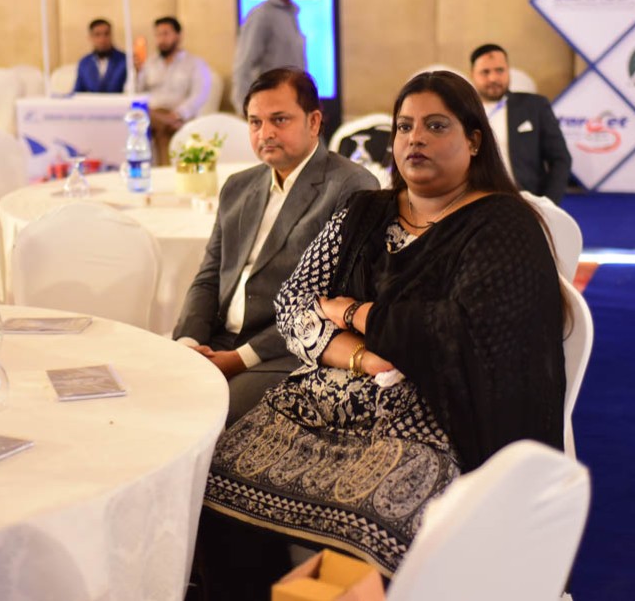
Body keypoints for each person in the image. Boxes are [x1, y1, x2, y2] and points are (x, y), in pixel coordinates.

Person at [195, 70, 567, 599]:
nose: (415, 139)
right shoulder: (365, 211)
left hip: (433, 420)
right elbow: (294, 303)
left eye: (435, 126)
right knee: (212, 483)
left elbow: (458, 334)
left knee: (374, 522)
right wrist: (363, 357)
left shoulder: (502, 224)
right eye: (404, 126)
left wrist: (355, 312)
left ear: (473, 140)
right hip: (319, 402)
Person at [172, 67, 377, 427]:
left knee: (209, 413)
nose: (265, 133)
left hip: (290, 350)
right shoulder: (238, 187)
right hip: (219, 339)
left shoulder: (350, 187)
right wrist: (189, 344)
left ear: (314, 122)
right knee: (150, 393)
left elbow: (329, 299)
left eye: (279, 120)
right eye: (255, 122)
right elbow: (209, 277)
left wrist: (240, 358)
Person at [470, 43, 572, 204]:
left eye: (499, 70)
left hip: (526, 202)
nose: (493, 78)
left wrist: (548, 204)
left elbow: (560, 159)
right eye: (485, 72)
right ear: (472, 75)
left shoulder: (534, 106)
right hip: (477, 202)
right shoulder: (463, 111)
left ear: (508, 71)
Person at [231, 0, 307, 114]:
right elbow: (243, 67)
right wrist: (245, 111)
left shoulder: (292, 13)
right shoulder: (261, 15)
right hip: (270, 108)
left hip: (292, 103)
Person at [138, 16, 212, 164]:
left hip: (178, 115)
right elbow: (133, 93)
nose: (161, 39)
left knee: (161, 128)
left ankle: (166, 123)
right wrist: (136, 72)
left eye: (166, 34)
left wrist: (177, 115)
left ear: (178, 35)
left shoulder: (194, 63)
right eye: (158, 35)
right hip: (152, 113)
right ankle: (166, 169)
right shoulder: (149, 64)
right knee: (147, 115)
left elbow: (199, 95)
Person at [72, 18, 128, 94]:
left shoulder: (124, 60)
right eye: (97, 35)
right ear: (90, 37)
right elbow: (77, 92)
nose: (102, 39)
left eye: (106, 34)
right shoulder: (84, 63)